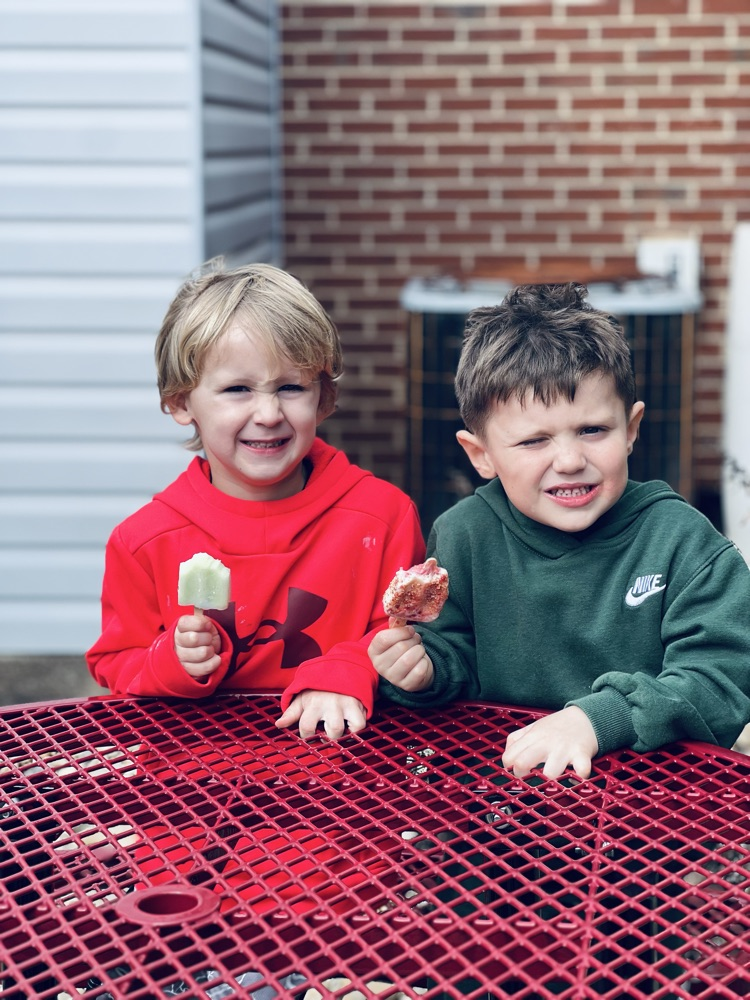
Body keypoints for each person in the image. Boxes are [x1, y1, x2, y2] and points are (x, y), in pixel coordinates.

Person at [369, 282, 750, 780]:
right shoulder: (464, 537)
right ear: (481, 454)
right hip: (501, 797)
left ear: (631, 428)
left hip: (648, 802)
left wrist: (599, 719)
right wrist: (422, 672)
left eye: (593, 430)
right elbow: (455, 660)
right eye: (534, 440)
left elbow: (721, 680)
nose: (570, 460)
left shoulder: (684, 543)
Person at [86, 260, 424, 738]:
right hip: (192, 768)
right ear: (181, 402)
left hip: (343, 765)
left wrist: (345, 668)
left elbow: (407, 637)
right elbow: (115, 662)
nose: (268, 413)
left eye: (291, 387)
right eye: (237, 389)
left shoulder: (383, 517)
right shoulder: (143, 541)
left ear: (323, 399)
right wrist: (171, 662)